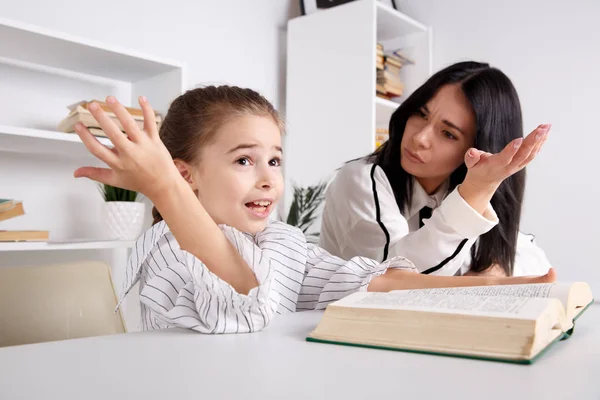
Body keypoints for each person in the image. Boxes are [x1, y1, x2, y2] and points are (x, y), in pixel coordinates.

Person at [73, 86, 555, 334]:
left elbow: (365, 280)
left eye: (275, 160)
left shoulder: (280, 241)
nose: (268, 178)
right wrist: (164, 192)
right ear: (185, 176)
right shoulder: (168, 249)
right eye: (244, 159)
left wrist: (482, 288)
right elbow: (244, 313)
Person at [320, 61, 552, 278]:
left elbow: (533, 260)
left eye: (448, 134)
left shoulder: (455, 190)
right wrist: (475, 192)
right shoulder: (359, 180)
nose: (420, 137)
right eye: (421, 114)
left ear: (478, 147)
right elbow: (397, 278)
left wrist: (495, 267)